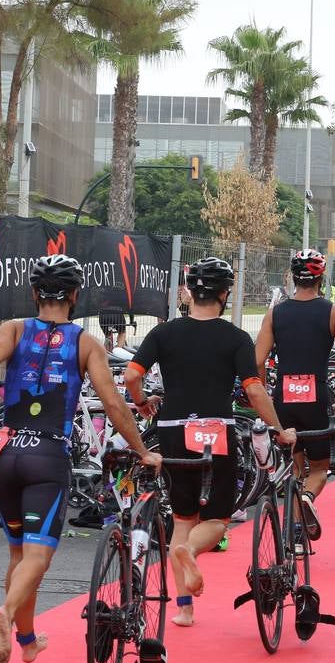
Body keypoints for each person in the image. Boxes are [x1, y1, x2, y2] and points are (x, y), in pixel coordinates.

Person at [0, 255, 160, 663]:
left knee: (19, 555)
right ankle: (7, 614)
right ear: (75, 296)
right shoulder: (84, 343)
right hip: (46, 457)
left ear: (34, 295)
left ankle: (27, 641)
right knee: (38, 557)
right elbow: (114, 404)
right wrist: (141, 449)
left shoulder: (13, 330)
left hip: (6, 453)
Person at [124, 257, 295, 628]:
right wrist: (279, 427)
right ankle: (189, 552)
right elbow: (254, 390)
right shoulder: (235, 338)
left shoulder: (163, 334)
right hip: (215, 430)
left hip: (171, 427)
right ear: (224, 294)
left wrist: (142, 403)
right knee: (216, 519)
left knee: (183, 517)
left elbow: (131, 375)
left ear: (188, 291)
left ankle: (184, 609)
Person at [255, 249, 335, 545]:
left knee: (295, 466)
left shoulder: (275, 313)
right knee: (319, 467)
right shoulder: (333, 312)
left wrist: (261, 391)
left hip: (283, 395)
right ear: (321, 279)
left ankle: (295, 530)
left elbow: (256, 360)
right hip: (315, 395)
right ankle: (307, 498)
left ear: (293, 278)